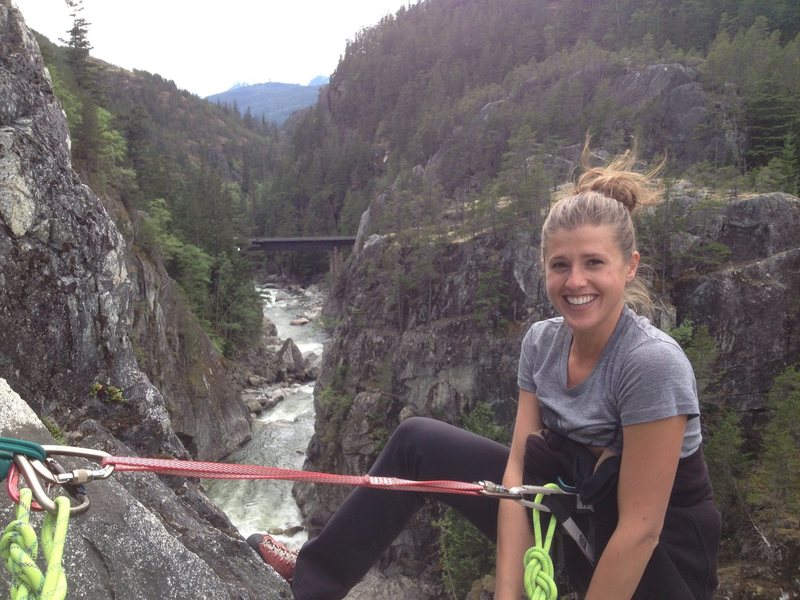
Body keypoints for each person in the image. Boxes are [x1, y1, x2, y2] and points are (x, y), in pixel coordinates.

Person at [248, 143, 721, 599]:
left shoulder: (649, 363)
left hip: (658, 564)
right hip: (574, 513)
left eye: (594, 262)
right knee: (417, 443)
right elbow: (517, 475)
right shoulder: (542, 342)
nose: (575, 281)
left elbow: (641, 529)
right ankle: (312, 583)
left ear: (630, 267)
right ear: (543, 267)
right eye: (561, 265)